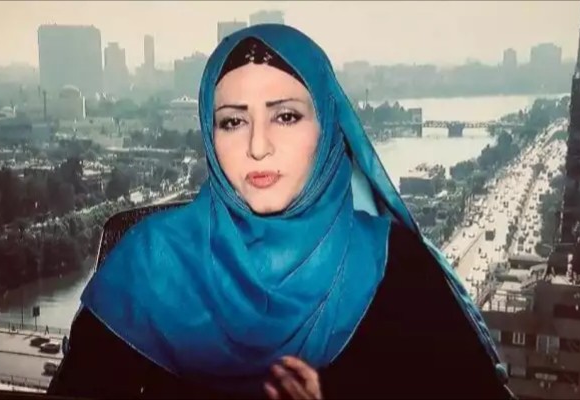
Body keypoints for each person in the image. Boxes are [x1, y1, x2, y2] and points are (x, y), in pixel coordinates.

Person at [48, 24, 514, 399]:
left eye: (286, 116)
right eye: (233, 121)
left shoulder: (397, 269)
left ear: (328, 127)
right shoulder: (149, 265)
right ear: (210, 134)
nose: (257, 146)